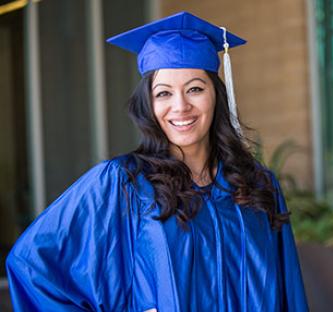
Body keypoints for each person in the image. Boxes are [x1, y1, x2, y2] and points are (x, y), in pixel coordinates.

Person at [6, 11, 308, 312]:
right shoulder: (124, 184)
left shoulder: (256, 184)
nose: (180, 106)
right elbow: (31, 264)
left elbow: (288, 291)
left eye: (195, 89)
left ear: (215, 96)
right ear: (148, 105)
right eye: (164, 93)